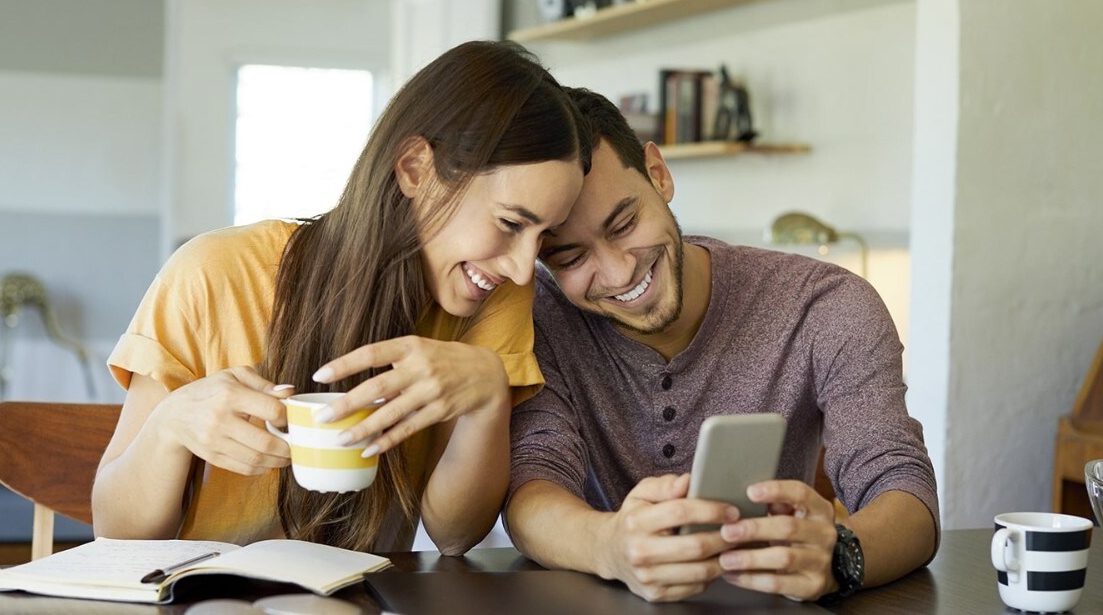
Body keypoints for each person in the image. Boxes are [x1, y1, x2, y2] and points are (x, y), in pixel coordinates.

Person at [93, 41, 590, 556]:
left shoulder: (493, 293)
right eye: (511, 223)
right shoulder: (213, 273)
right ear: (416, 168)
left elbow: (454, 535)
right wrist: (169, 428)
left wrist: (486, 400)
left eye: (543, 237)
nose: (520, 265)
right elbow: (113, 531)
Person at [505, 87, 939, 602]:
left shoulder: (826, 306)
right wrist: (610, 546)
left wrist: (839, 555)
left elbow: (905, 490)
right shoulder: (539, 324)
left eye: (624, 224)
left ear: (658, 174)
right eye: (571, 258)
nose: (619, 272)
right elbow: (531, 489)